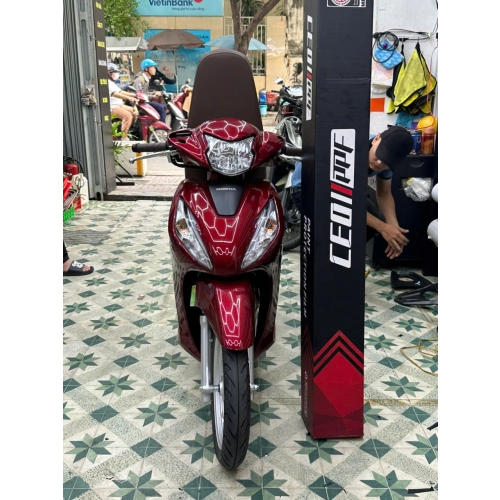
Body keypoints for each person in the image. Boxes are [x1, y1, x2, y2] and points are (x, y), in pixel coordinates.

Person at [367, 126, 413, 259]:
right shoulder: (354, 151)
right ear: (376, 139)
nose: (379, 163)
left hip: (349, 194)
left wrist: (394, 229)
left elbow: (384, 194)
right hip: (317, 189)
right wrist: (383, 228)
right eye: (379, 155)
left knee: (378, 221)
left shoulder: (387, 163)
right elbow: (343, 200)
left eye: (386, 162)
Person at [107, 63, 138, 141]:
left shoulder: (112, 83)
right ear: (109, 74)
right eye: (115, 72)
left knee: (135, 111)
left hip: (119, 105)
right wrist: (128, 98)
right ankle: (124, 136)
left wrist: (134, 95)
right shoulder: (107, 83)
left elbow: (120, 91)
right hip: (112, 107)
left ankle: (129, 130)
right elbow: (115, 94)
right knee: (127, 115)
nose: (117, 74)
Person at [132, 59, 168, 123]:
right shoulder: (140, 80)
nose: (154, 69)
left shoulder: (146, 78)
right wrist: (152, 96)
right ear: (146, 69)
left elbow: (145, 92)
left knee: (163, 107)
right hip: (140, 104)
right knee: (161, 107)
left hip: (144, 101)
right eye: (152, 67)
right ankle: (161, 127)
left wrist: (154, 93)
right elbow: (138, 95)